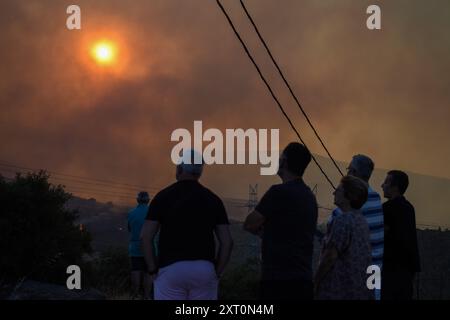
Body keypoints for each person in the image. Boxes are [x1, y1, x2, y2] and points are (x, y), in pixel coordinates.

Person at [140, 149, 233, 300]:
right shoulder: (213, 199)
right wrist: (217, 272)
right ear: (199, 172)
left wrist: (152, 270)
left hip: (170, 269)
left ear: (179, 168)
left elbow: (145, 237)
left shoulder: (163, 197)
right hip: (204, 269)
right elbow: (227, 242)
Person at [243, 142, 318, 300]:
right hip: (303, 280)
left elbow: (249, 223)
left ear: (284, 161)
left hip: (277, 280)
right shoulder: (310, 197)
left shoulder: (277, 192)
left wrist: (267, 233)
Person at [329, 154, 384, 299]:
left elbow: (332, 229)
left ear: (354, 173)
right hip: (376, 271)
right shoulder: (377, 198)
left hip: (355, 274)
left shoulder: (348, 206)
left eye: (348, 170)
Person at [315, 175, 373, 300]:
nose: (334, 192)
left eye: (339, 190)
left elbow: (330, 256)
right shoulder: (362, 221)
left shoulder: (343, 220)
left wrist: (315, 282)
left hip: (337, 290)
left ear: (349, 196)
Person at [381, 170, 421, 300]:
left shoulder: (387, 209)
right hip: (405, 275)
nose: (382, 185)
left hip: (386, 272)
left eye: (386, 182)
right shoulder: (409, 208)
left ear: (395, 187)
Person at [127, 191, 154, 299]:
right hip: (150, 247)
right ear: (148, 200)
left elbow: (129, 229)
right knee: (148, 272)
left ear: (137, 200)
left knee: (136, 270)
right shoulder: (152, 212)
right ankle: (147, 295)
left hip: (135, 247)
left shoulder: (131, 213)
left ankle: (135, 294)